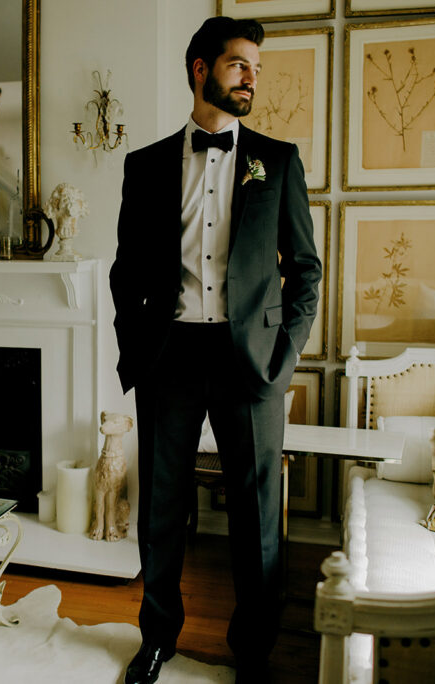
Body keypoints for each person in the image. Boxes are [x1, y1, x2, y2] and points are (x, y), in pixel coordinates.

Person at [109, 16, 321, 684]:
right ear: (200, 69)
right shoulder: (143, 166)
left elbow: (306, 273)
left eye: (256, 67)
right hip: (169, 357)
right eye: (238, 65)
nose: (251, 77)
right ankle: (157, 640)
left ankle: (252, 651)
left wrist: (281, 362)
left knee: (258, 517)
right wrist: (135, 343)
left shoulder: (277, 161)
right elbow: (125, 271)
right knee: (161, 509)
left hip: (249, 363)